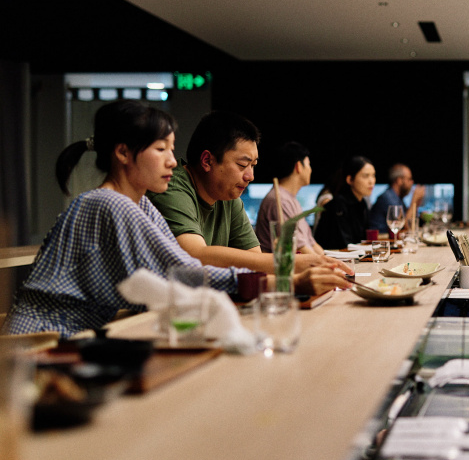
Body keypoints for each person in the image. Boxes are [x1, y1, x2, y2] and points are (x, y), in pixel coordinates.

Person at [1, 100, 244, 338]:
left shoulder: (142, 205)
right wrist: (257, 279)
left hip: (66, 340)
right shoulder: (108, 204)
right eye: (161, 149)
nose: (172, 160)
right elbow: (181, 273)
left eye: (171, 149)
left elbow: (181, 266)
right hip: (37, 343)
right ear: (123, 153)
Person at [148, 111, 350, 294]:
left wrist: (297, 278)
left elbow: (256, 262)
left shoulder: (227, 196)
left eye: (253, 165)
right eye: (242, 165)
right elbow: (195, 255)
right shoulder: (172, 187)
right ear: (207, 161)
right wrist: (294, 265)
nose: (250, 175)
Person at [255, 141, 324, 255]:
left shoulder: (291, 199)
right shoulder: (279, 200)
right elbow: (300, 248)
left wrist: (331, 262)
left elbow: (311, 244)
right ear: (298, 167)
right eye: (308, 164)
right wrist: (326, 264)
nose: (311, 170)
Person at [314, 156, 376, 250]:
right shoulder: (338, 204)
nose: (371, 181)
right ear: (350, 180)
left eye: (373, 175)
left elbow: (363, 239)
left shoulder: (362, 202)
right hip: (333, 259)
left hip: (354, 257)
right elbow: (344, 245)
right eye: (365, 176)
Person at [367, 163, 425, 233]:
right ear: (399, 180)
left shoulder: (399, 198)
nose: (412, 182)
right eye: (409, 179)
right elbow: (405, 226)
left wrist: (416, 205)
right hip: (379, 240)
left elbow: (411, 224)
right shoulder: (388, 197)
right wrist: (414, 201)